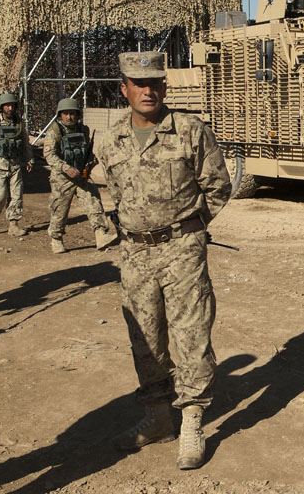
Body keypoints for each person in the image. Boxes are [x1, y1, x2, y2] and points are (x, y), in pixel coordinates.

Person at [95, 51, 231, 470]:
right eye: (138, 83)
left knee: (191, 335)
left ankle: (191, 419)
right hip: (134, 254)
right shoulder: (111, 137)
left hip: (182, 250)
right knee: (146, 339)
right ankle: (157, 418)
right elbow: (108, 192)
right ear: (125, 89)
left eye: (155, 82)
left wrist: (188, 230)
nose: (147, 90)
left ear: (164, 87)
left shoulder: (190, 130)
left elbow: (218, 186)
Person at [43, 97, 119, 254]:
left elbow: (87, 152)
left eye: (73, 113)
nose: (70, 117)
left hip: (81, 175)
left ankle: (100, 235)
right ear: (60, 115)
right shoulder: (54, 132)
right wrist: (65, 168)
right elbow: (49, 156)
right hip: (62, 178)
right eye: (66, 114)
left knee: (94, 202)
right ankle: (56, 238)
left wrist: (92, 161)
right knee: (60, 209)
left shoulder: (84, 130)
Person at [0, 91, 34, 236]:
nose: (10, 108)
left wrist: (29, 159)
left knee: (17, 196)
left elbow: (25, 143)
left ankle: (13, 225)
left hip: (15, 165)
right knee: (0, 196)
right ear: (1, 106)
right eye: (7, 105)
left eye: (12, 105)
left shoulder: (18, 123)